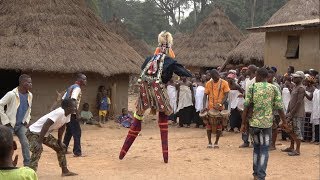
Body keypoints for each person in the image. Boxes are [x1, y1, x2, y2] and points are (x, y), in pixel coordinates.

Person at [119, 31, 192, 163]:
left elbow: (142, 69)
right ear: (170, 46)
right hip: (159, 94)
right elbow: (184, 73)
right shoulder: (170, 61)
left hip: (144, 92)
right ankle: (165, 157)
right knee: (163, 119)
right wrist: (183, 70)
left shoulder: (148, 59)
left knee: (137, 119)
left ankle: (122, 153)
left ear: (158, 46)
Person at [240, 67, 286, 180]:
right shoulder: (274, 88)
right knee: (264, 149)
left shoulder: (252, 87)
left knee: (256, 149)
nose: (255, 78)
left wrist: (243, 123)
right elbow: (280, 108)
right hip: (266, 125)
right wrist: (284, 121)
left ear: (260, 76)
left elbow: (246, 107)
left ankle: (255, 174)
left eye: (256, 76)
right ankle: (261, 176)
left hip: (254, 124)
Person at [27, 99, 78, 176]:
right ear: (67, 107)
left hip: (44, 134)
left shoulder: (68, 114)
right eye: (73, 106)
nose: (75, 108)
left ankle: (65, 171)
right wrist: (39, 142)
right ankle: (30, 174)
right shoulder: (59, 112)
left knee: (60, 148)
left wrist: (60, 141)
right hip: (33, 132)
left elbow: (62, 126)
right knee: (37, 149)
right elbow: (46, 125)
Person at [0, 74, 32, 166]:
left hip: (20, 125)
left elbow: (29, 109)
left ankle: (27, 165)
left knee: (25, 143)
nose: (30, 84)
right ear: (22, 83)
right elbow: (0, 104)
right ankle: (8, 163)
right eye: (28, 82)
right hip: (10, 125)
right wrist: (6, 121)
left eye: (31, 82)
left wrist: (27, 119)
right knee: (8, 145)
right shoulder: (11, 94)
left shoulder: (30, 95)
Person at [202, 69, 230, 148]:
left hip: (220, 108)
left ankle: (216, 142)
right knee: (208, 126)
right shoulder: (208, 83)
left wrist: (220, 104)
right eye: (214, 77)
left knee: (219, 126)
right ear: (211, 77)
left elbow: (226, 94)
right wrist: (204, 106)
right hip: (210, 108)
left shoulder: (224, 83)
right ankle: (210, 142)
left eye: (217, 76)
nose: (216, 78)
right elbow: (205, 96)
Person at [62, 73, 87, 157]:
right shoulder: (77, 88)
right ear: (80, 80)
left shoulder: (70, 87)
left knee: (69, 131)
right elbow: (73, 100)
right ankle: (77, 152)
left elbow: (63, 99)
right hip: (72, 113)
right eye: (84, 79)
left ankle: (63, 148)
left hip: (67, 112)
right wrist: (76, 113)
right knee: (77, 132)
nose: (85, 81)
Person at [282, 71, 305, 156]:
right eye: (294, 77)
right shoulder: (295, 87)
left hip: (297, 113)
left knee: (296, 131)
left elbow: (299, 103)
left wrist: (291, 113)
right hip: (292, 112)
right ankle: (292, 146)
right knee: (290, 129)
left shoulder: (301, 88)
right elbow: (291, 101)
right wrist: (288, 111)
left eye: (296, 77)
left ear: (301, 78)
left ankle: (297, 150)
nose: (294, 78)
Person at [239, 65, 257, 148]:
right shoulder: (247, 80)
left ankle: (253, 141)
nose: (246, 71)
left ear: (251, 70)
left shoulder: (255, 80)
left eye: (248, 69)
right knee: (245, 122)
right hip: (246, 104)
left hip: (252, 105)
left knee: (252, 124)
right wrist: (243, 95)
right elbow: (246, 92)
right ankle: (245, 141)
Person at [267, 70, 282, 150]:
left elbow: (278, 100)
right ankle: (269, 143)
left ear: (272, 77)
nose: (267, 78)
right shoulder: (265, 85)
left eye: (269, 77)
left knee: (274, 127)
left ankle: (273, 144)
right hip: (267, 110)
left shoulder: (276, 86)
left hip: (275, 110)